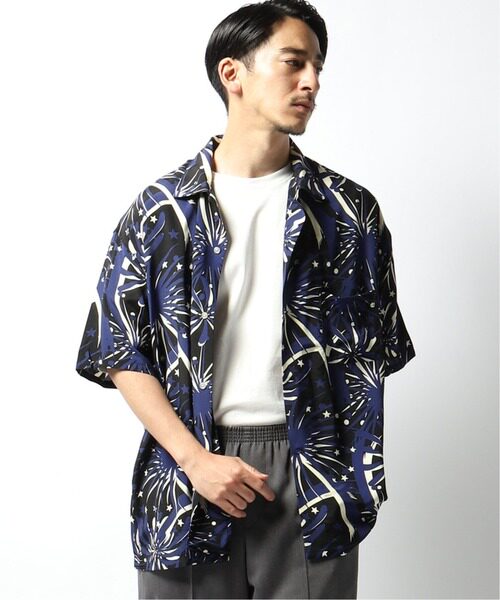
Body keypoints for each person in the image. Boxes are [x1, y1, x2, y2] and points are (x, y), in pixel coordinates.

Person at [75, 0, 416, 598]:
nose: (312, 82)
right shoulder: (161, 210)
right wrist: (194, 460)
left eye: (318, 67)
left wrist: (345, 472)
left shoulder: (348, 211)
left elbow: (375, 351)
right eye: (294, 62)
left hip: (313, 472)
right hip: (188, 465)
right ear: (232, 73)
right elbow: (118, 349)